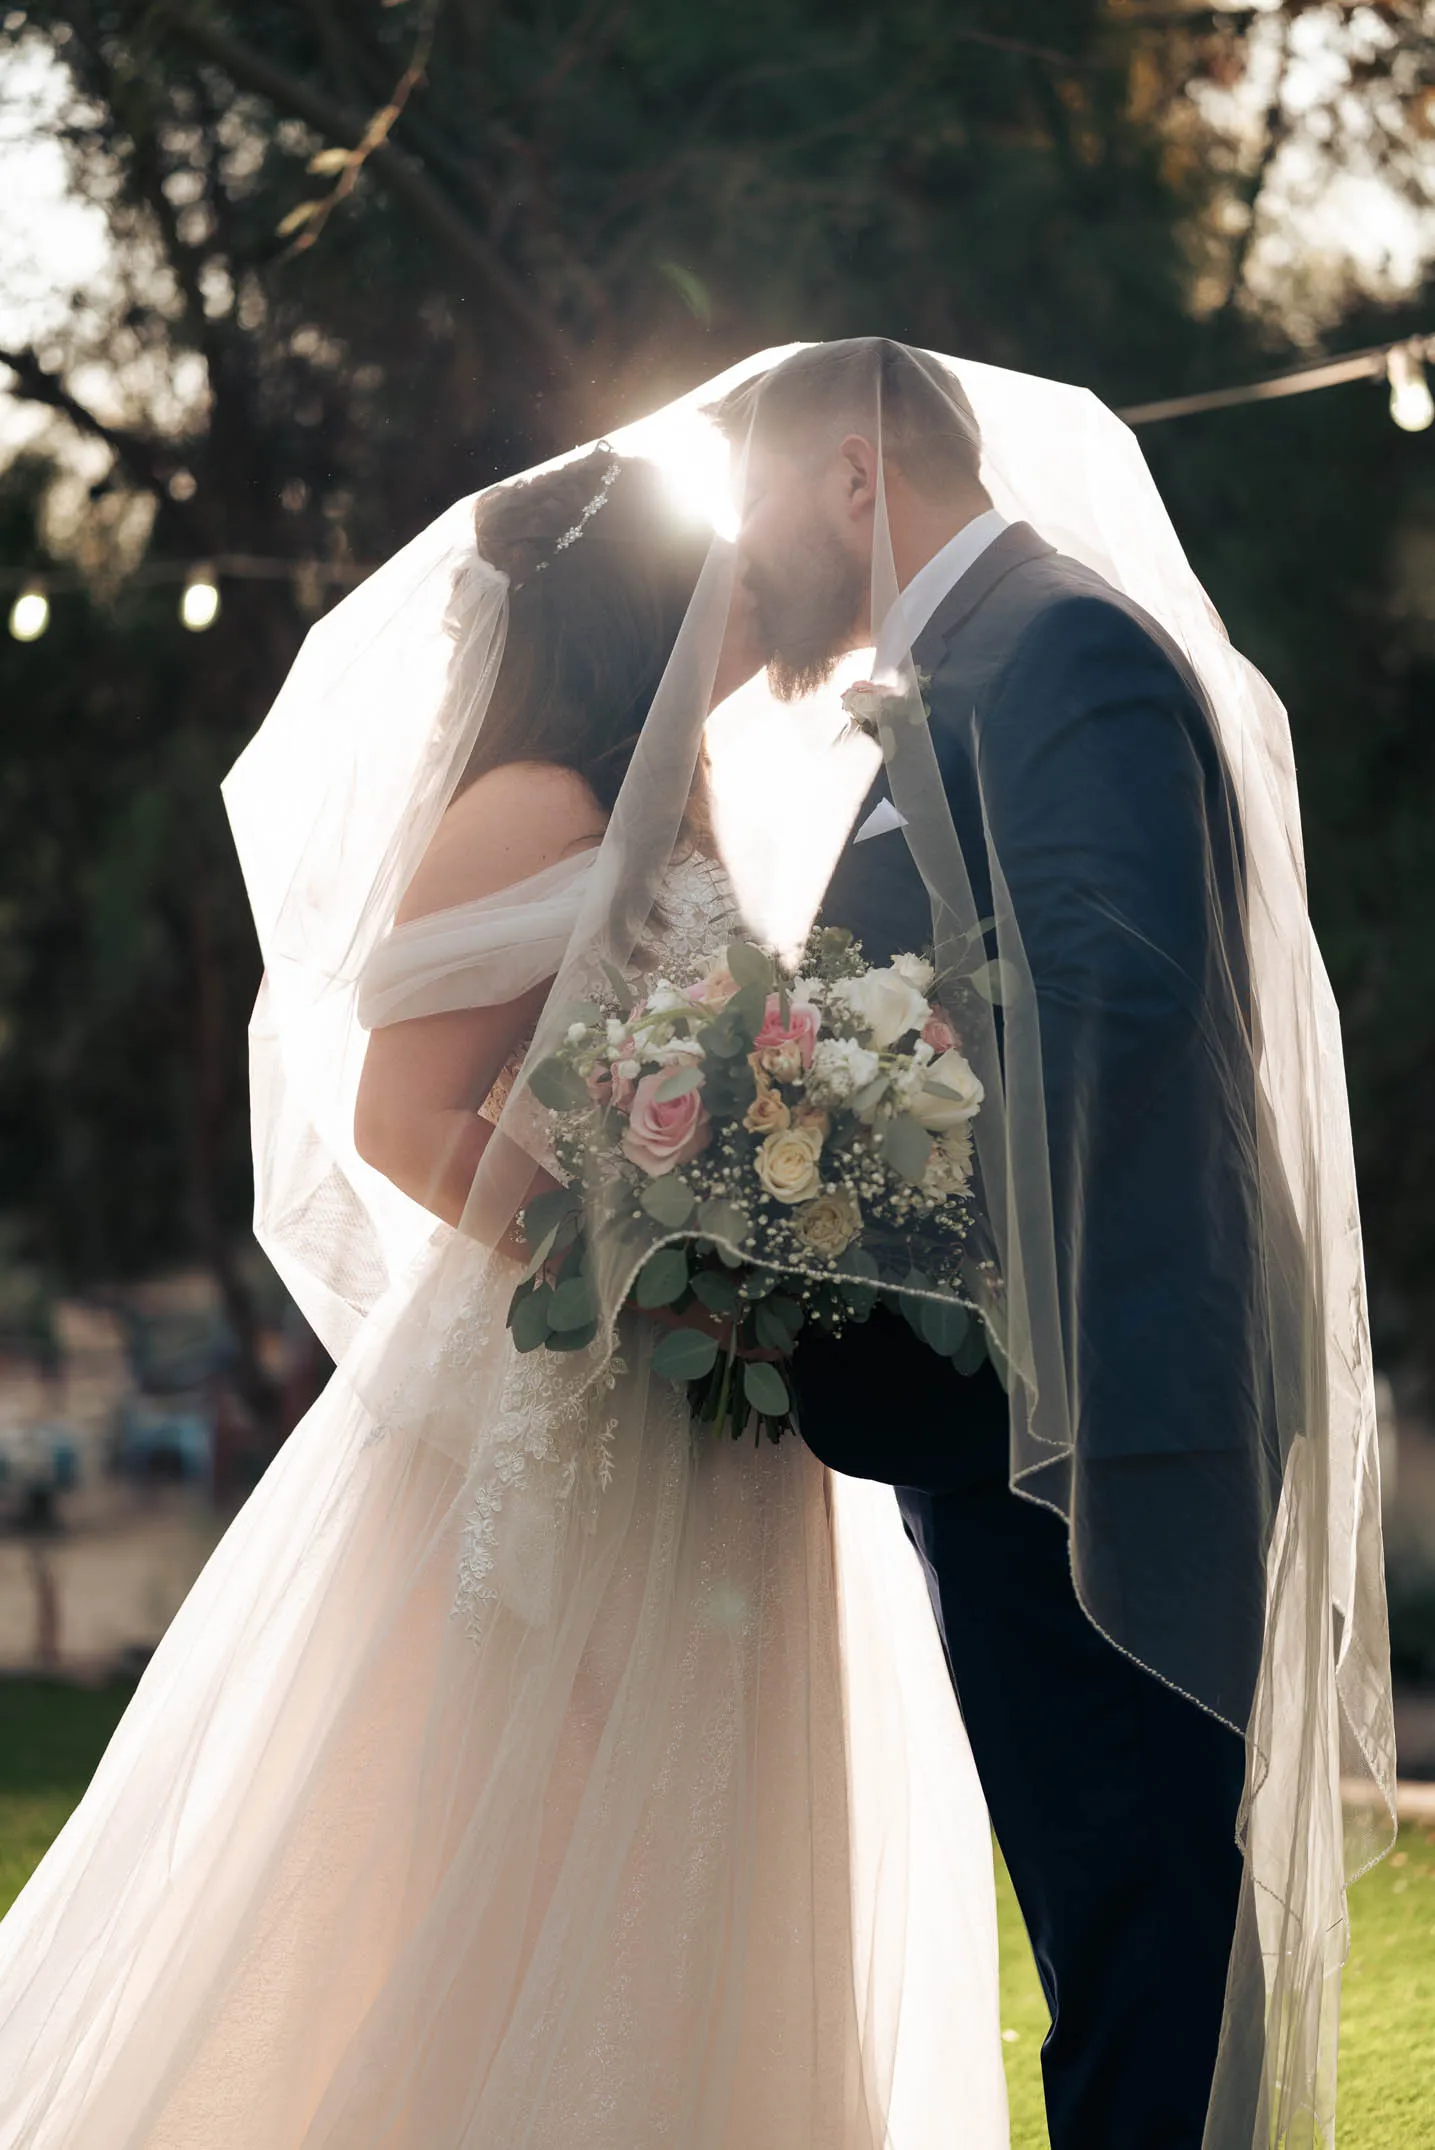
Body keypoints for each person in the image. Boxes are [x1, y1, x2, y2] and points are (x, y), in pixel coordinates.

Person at [0, 439, 1006, 2150]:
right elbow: (402, 1114)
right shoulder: (532, 798)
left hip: (712, 1417)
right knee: (530, 1852)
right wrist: (637, 1263)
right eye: (714, 579)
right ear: (636, 610)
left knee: (709, 1850)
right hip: (566, 1410)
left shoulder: (665, 809)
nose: (741, 607)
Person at [707, 337, 1392, 2150]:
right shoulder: (953, 668)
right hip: (1015, 1421)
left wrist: (820, 1128)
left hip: (1090, 1425)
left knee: (1141, 1938)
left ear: (857, 468)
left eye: (757, 499)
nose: (744, 554)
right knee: (1119, 1932)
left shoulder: (1053, 644)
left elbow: (1118, 987)